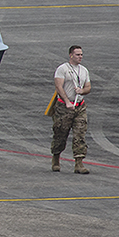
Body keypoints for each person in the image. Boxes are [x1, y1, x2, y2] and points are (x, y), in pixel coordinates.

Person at [51, 45, 92, 174]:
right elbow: (59, 86)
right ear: (71, 55)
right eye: (77, 54)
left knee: (80, 134)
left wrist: (82, 91)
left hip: (79, 106)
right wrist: (67, 102)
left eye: (81, 54)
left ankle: (79, 163)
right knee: (60, 133)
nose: (80, 57)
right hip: (64, 107)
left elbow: (88, 87)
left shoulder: (84, 70)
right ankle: (56, 157)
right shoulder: (62, 69)